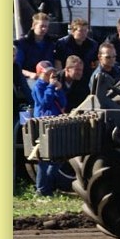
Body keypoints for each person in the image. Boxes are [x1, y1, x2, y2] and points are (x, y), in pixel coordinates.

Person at [31, 61, 67, 196]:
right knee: (44, 159)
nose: (50, 76)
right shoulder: (38, 87)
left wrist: (59, 89)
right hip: (43, 124)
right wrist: (51, 87)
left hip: (55, 123)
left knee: (57, 157)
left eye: (52, 73)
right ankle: (41, 189)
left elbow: (63, 103)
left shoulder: (51, 86)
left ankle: (49, 186)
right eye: (47, 73)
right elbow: (44, 103)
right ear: (40, 74)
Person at [55, 18, 99, 85]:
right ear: (73, 31)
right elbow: (58, 63)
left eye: (85, 31)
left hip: (85, 78)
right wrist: (60, 79)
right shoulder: (63, 44)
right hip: (68, 78)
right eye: (80, 31)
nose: (84, 33)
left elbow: (96, 63)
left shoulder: (92, 45)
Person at [14, 12, 57, 80]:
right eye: (41, 26)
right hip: (30, 79)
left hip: (49, 79)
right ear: (34, 25)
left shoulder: (51, 43)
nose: (44, 29)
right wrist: (30, 74)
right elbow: (17, 67)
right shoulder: (22, 44)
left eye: (46, 26)